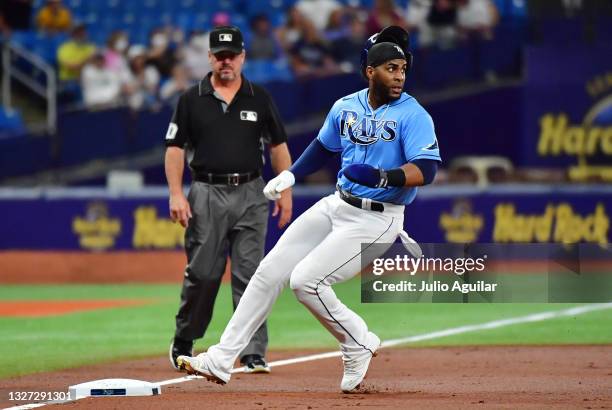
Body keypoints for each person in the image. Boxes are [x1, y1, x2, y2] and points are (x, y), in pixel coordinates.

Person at [175, 26, 441, 393]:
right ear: (370, 71)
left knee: (306, 281)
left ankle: (357, 340)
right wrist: (290, 176)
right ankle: (221, 358)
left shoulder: (413, 114)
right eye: (390, 68)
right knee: (269, 270)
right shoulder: (346, 106)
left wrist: (382, 176)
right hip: (337, 204)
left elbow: (425, 170)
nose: (398, 76)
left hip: (378, 217)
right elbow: (321, 147)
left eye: (402, 69)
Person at [165, 25, 293, 375]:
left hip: (252, 192)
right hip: (206, 192)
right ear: (209, 58)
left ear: (242, 57)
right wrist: (176, 192)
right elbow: (174, 148)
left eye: (232, 55)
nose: (226, 62)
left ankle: (253, 352)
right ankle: (185, 338)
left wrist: (286, 190)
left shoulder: (259, 97)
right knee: (204, 273)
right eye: (219, 56)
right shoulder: (191, 99)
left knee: (252, 275)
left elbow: (279, 146)